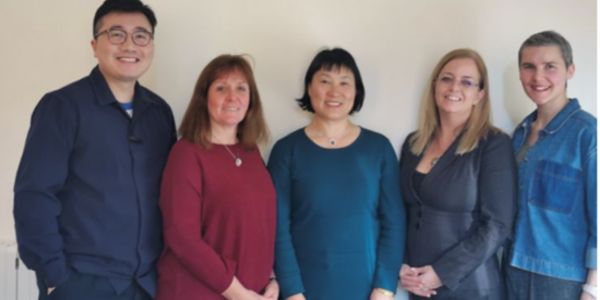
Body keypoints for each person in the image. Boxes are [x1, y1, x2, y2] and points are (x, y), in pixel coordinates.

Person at [13, 0, 176, 299]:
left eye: (141, 35)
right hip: (81, 283)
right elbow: (34, 195)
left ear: (151, 45)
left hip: (145, 283)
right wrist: (54, 276)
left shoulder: (159, 113)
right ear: (94, 44)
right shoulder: (62, 107)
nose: (130, 45)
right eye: (116, 34)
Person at [267, 48, 406, 300]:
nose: (335, 91)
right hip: (304, 289)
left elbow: (394, 223)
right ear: (310, 88)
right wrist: (292, 290)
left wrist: (385, 287)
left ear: (356, 91)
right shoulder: (286, 150)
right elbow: (277, 226)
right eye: (324, 81)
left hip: (367, 290)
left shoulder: (378, 149)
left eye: (344, 82)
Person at [156, 54, 278, 300]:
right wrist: (239, 294)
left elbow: (259, 225)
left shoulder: (251, 152)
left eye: (241, 88)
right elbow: (182, 238)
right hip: (198, 293)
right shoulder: (186, 154)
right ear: (204, 98)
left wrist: (272, 277)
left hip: (253, 292)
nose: (232, 97)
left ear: (251, 99)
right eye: (221, 88)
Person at [398, 48, 517, 299]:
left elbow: (497, 224)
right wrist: (402, 265)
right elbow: (403, 213)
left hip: (472, 288)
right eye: (447, 78)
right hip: (418, 286)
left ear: (479, 95)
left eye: (467, 82)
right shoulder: (413, 144)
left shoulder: (493, 144)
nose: (454, 88)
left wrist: (441, 272)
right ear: (434, 86)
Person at [504, 30, 597, 300]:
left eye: (550, 67)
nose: (538, 77)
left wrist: (592, 291)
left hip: (561, 280)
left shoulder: (588, 134)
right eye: (529, 67)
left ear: (570, 71)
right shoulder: (519, 134)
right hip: (511, 268)